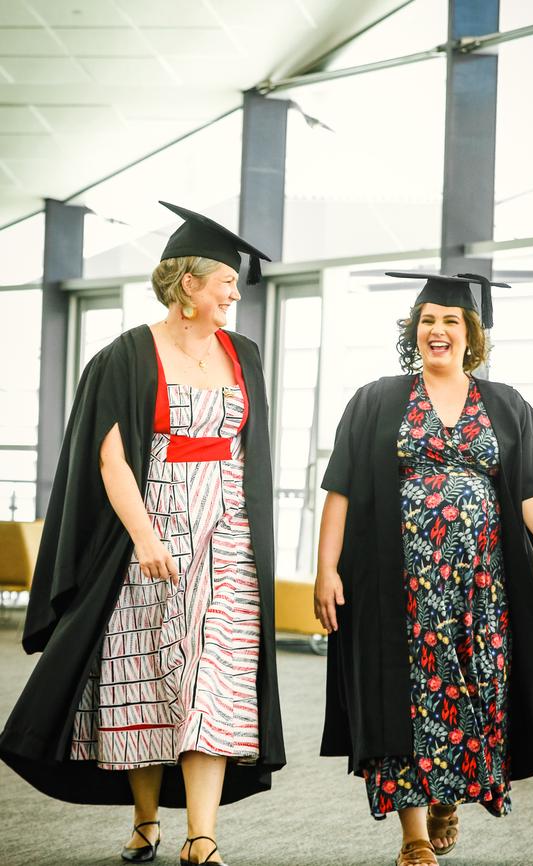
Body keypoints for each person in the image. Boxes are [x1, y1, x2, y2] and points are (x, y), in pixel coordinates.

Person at [0, 202, 286, 866]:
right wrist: (146, 536)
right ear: (190, 284)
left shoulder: (243, 354)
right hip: (149, 539)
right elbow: (111, 459)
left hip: (228, 541)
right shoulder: (126, 356)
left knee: (215, 680)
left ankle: (202, 836)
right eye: (226, 282)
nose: (233, 295)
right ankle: (148, 818)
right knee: (152, 680)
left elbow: (250, 452)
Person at [314, 272, 533, 866]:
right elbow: (339, 490)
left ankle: (452, 795)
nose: (437, 330)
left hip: (483, 586)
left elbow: (530, 491)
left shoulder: (506, 405)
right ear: (413, 332)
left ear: (472, 334)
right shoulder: (375, 400)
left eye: (450, 321)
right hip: (399, 586)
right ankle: (414, 834)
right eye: (426, 321)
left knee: (479, 688)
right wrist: (326, 569)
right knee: (408, 695)